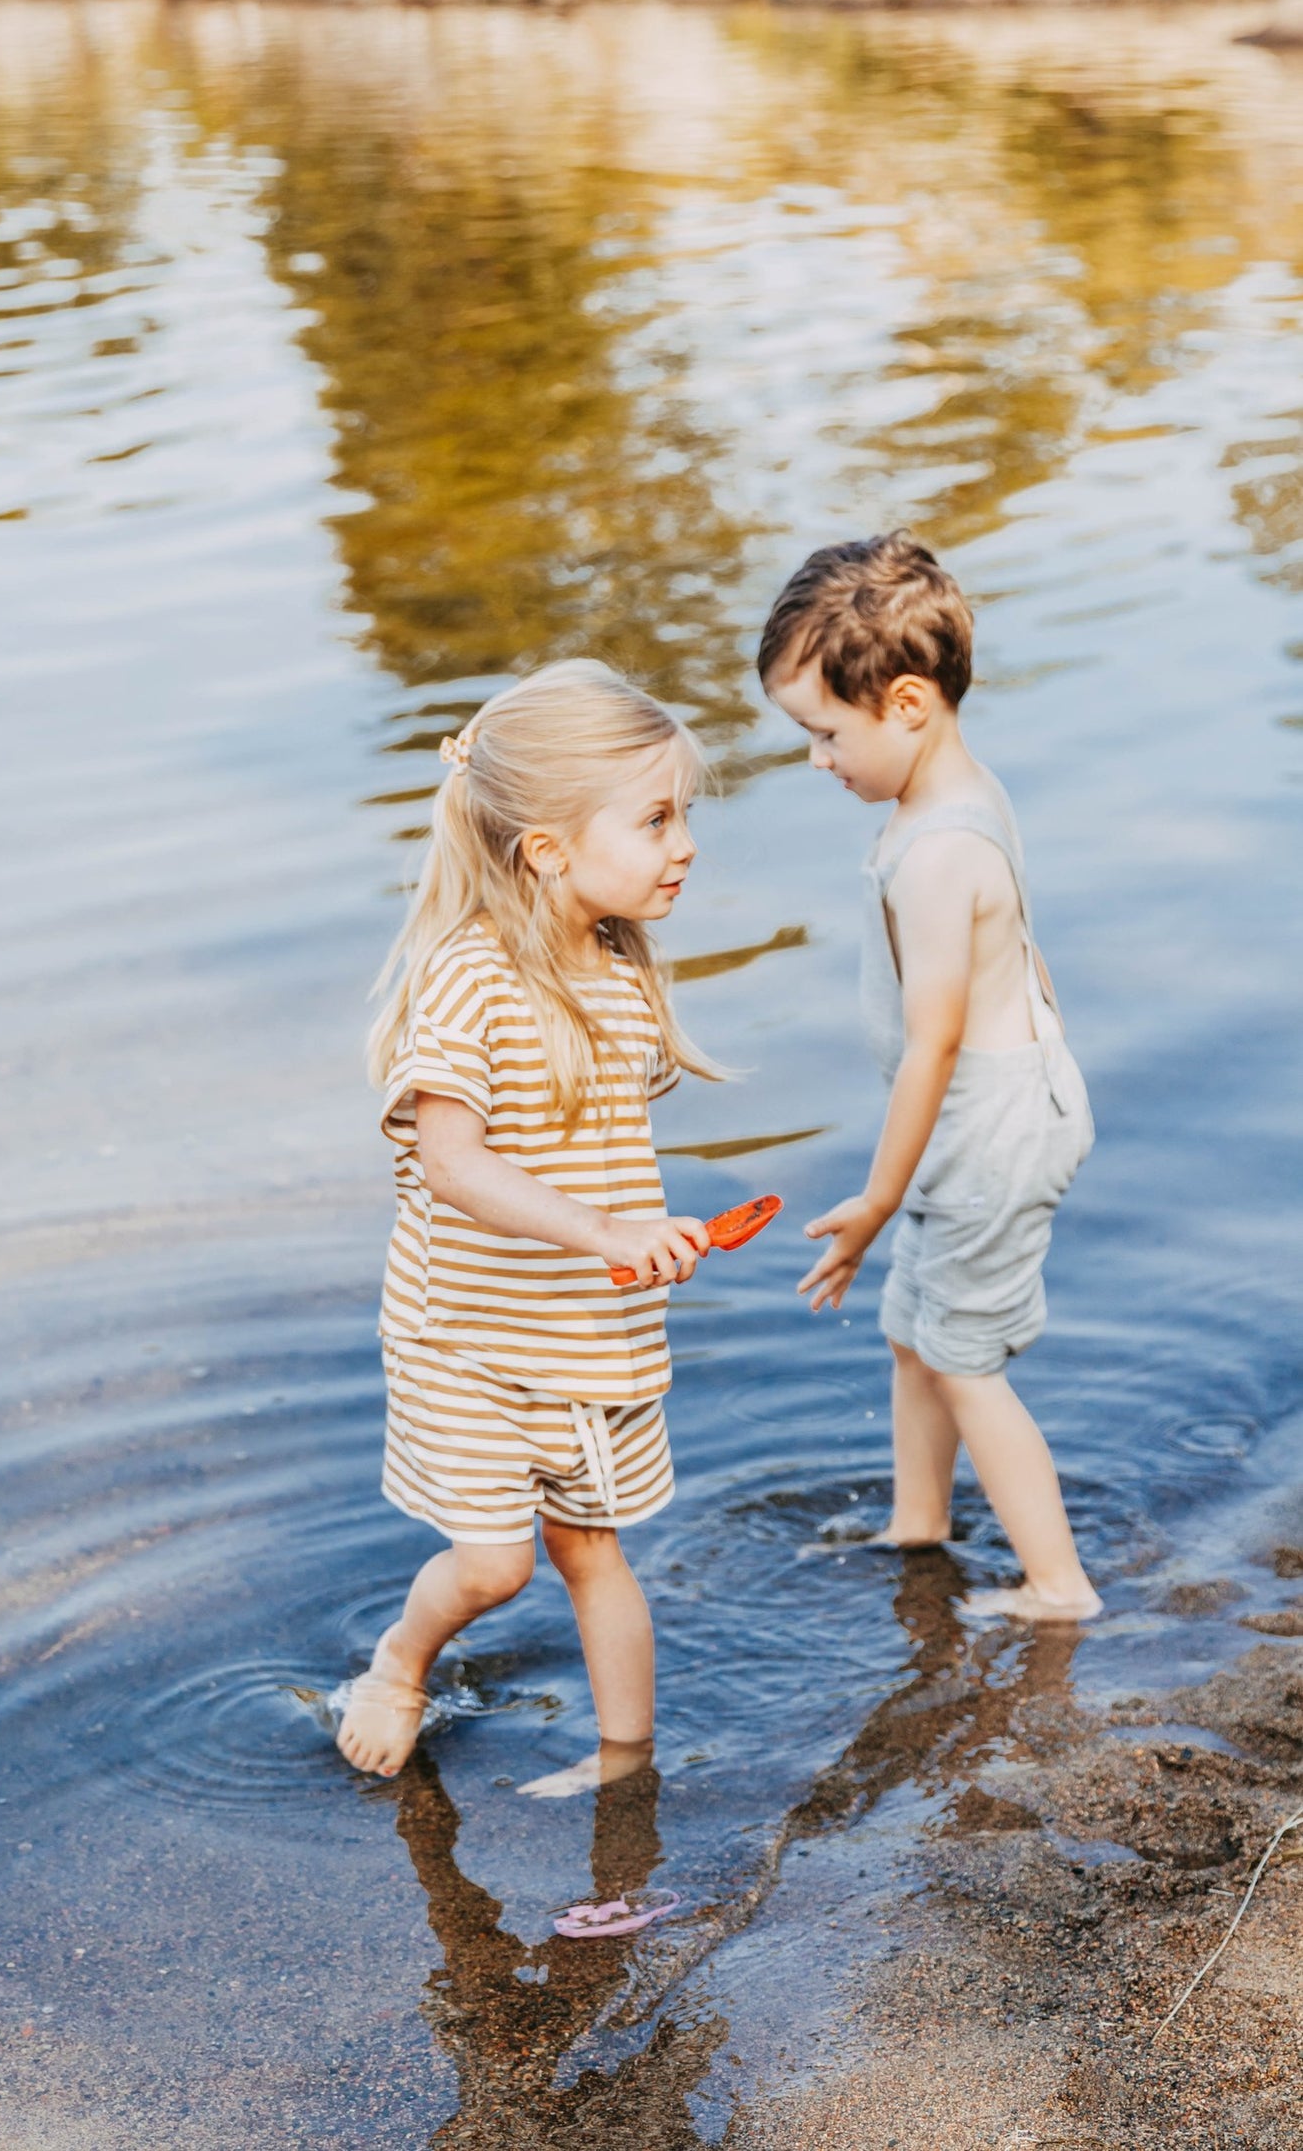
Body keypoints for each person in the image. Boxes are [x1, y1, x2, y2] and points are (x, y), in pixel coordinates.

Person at [339, 660, 724, 1783]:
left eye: (682, 814)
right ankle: (401, 1659)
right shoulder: (467, 977)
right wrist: (607, 1236)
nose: (683, 842)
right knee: (498, 1562)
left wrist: (650, 1232)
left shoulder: (613, 968)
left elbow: (595, 1151)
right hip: (462, 1332)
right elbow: (451, 1162)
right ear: (547, 847)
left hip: (584, 1334)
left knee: (591, 1548)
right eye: (655, 818)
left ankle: (625, 1763)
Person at [759, 532, 1101, 1622]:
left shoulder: (936, 850)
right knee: (915, 1331)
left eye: (823, 732)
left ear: (905, 703)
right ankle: (919, 1524)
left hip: (980, 1126)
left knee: (960, 1358)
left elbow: (934, 1039)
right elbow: (1026, 951)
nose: (816, 758)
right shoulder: (955, 794)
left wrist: (873, 1199)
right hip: (999, 1107)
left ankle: (1056, 1584)